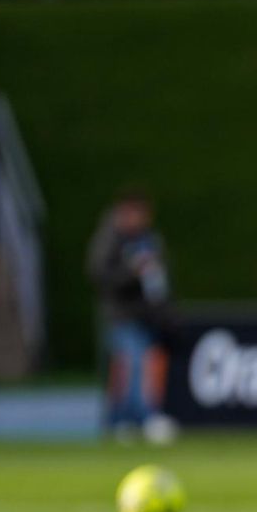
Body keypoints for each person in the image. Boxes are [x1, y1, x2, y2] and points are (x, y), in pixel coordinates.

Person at [86, 188, 177, 443]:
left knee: (143, 366)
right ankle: (135, 419)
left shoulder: (148, 239)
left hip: (148, 315)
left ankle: (125, 420)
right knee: (132, 365)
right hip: (121, 315)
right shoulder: (111, 239)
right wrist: (131, 272)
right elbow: (99, 275)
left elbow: (160, 278)